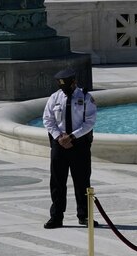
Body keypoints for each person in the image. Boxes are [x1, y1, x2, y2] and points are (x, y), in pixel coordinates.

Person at [42, 68, 97, 229]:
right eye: (61, 87)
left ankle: (84, 216)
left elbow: (90, 121)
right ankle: (56, 216)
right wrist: (59, 137)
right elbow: (47, 119)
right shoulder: (55, 98)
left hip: (79, 144)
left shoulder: (86, 97)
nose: (64, 90)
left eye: (66, 86)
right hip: (59, 144)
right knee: (57, 181)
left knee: (82, 181)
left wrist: (72, 136)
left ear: (74, 82)